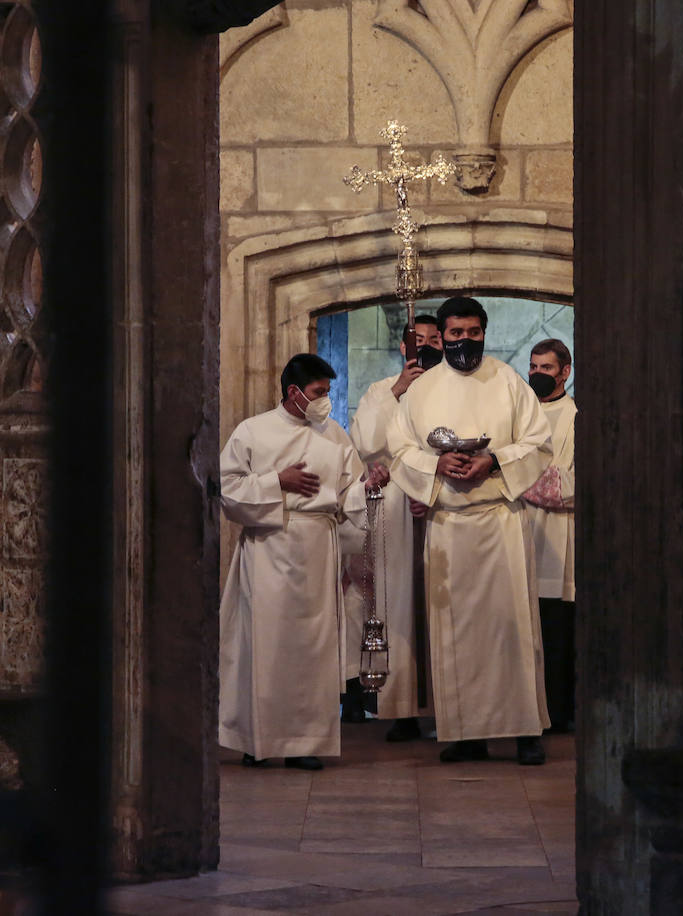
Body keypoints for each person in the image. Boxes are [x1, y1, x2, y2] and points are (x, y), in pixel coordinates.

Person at [388, 296, 553, 765]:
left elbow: (537, 442)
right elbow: (398, 450)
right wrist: (436, 463)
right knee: (455, 635)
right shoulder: (421, 390)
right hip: (449, 526)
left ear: (484, 331)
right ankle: (465, 733)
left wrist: (494, 460)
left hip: (499, 520)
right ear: (441, 336)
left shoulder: (507, 381)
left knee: (513, 630)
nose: (465, 342)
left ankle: (525, 731)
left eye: (474, 333)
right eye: (456, 334)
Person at [218, 353, 385, 771]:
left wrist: (368, 485)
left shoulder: (334, 435)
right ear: (293, 392)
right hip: (269, 546)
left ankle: (304, 742)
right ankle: (257, 741)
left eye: (328, 392)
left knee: (313, 647)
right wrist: (278, 481)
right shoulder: (252, 431)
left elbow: (348, 495)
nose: (324, 401)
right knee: (267, 645)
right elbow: (228, 489)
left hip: (317, 546)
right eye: (318, 393)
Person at [348, 315, 443, 742]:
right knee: (398, 604)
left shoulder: (451, 391)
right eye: (417, 341)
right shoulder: (379, 391)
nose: (425, 347)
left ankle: (449, 708)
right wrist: (397, 391)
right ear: (404, 349)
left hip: (440, 504)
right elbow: (366, 442)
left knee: (441, 603)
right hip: (395, 508)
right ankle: (402, 708)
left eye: (433, 339)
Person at [521, 339, 576, 733]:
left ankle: (557, 713)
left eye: (546, 368)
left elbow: (569, 485)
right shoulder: (519, 417)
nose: (538, 374)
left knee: (557, 632)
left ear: (565, 372)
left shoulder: (577, 417)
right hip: (519, 534)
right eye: (534, 367)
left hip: (560, 541)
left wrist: (516, 478)